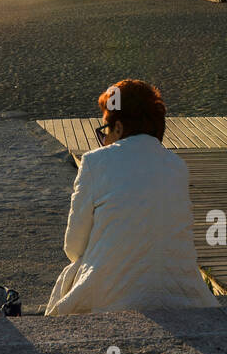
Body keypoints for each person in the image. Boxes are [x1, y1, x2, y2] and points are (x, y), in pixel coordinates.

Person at [46, 79, 217, 315]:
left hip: (113, 297)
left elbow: (73, 247)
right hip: (180, 294)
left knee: (74, 275)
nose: (104, 140)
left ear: (118, 128)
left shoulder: (96, 162)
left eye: (105, 131)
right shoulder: (177, 166)